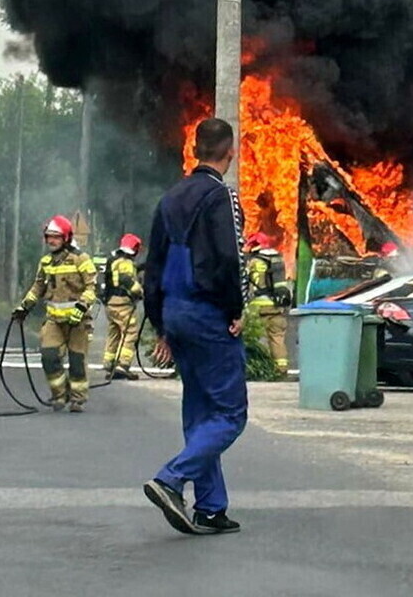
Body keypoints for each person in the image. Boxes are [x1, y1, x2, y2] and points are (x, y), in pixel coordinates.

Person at [142, 117, 248, 536]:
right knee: (230, 413)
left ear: (194, 150)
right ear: (230, 151)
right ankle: (171, 478)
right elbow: (230, 260)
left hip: (175, 313)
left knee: (201, 411)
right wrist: (236, 308)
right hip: (207, 313)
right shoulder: (222, 197)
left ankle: (211, 507)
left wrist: (159, 325)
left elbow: (153, 267)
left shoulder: (169, 199)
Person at [13, 215, 97, 413]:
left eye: (56, 237)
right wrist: (24, 307)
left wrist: (81, 307)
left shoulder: (81, 259)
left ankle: (77, 399)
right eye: (49, 236)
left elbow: (92, 287)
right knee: (49, 357)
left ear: (66, 238)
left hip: (78, 322)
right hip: (53, 321)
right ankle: (59, 394)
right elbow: (38, 287)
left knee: (77, 361)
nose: (51, 241)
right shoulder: (46, 262)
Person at [244, 231, 291, 375]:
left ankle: (254, 368)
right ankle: (281, 369)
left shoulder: (253, 261)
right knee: (277, 338)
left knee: (251, 337)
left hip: (257, 307)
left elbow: (245, 282)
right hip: (276, 306)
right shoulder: (278, 260)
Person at [102, 233, 144, 380]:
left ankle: (109, 362)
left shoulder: (114, 261)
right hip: (122, 304)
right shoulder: (125, 263)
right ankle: (123, 365)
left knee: (115, 332)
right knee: (130, 332)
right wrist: (140, 292)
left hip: (110, 303)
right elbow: (126, 280)